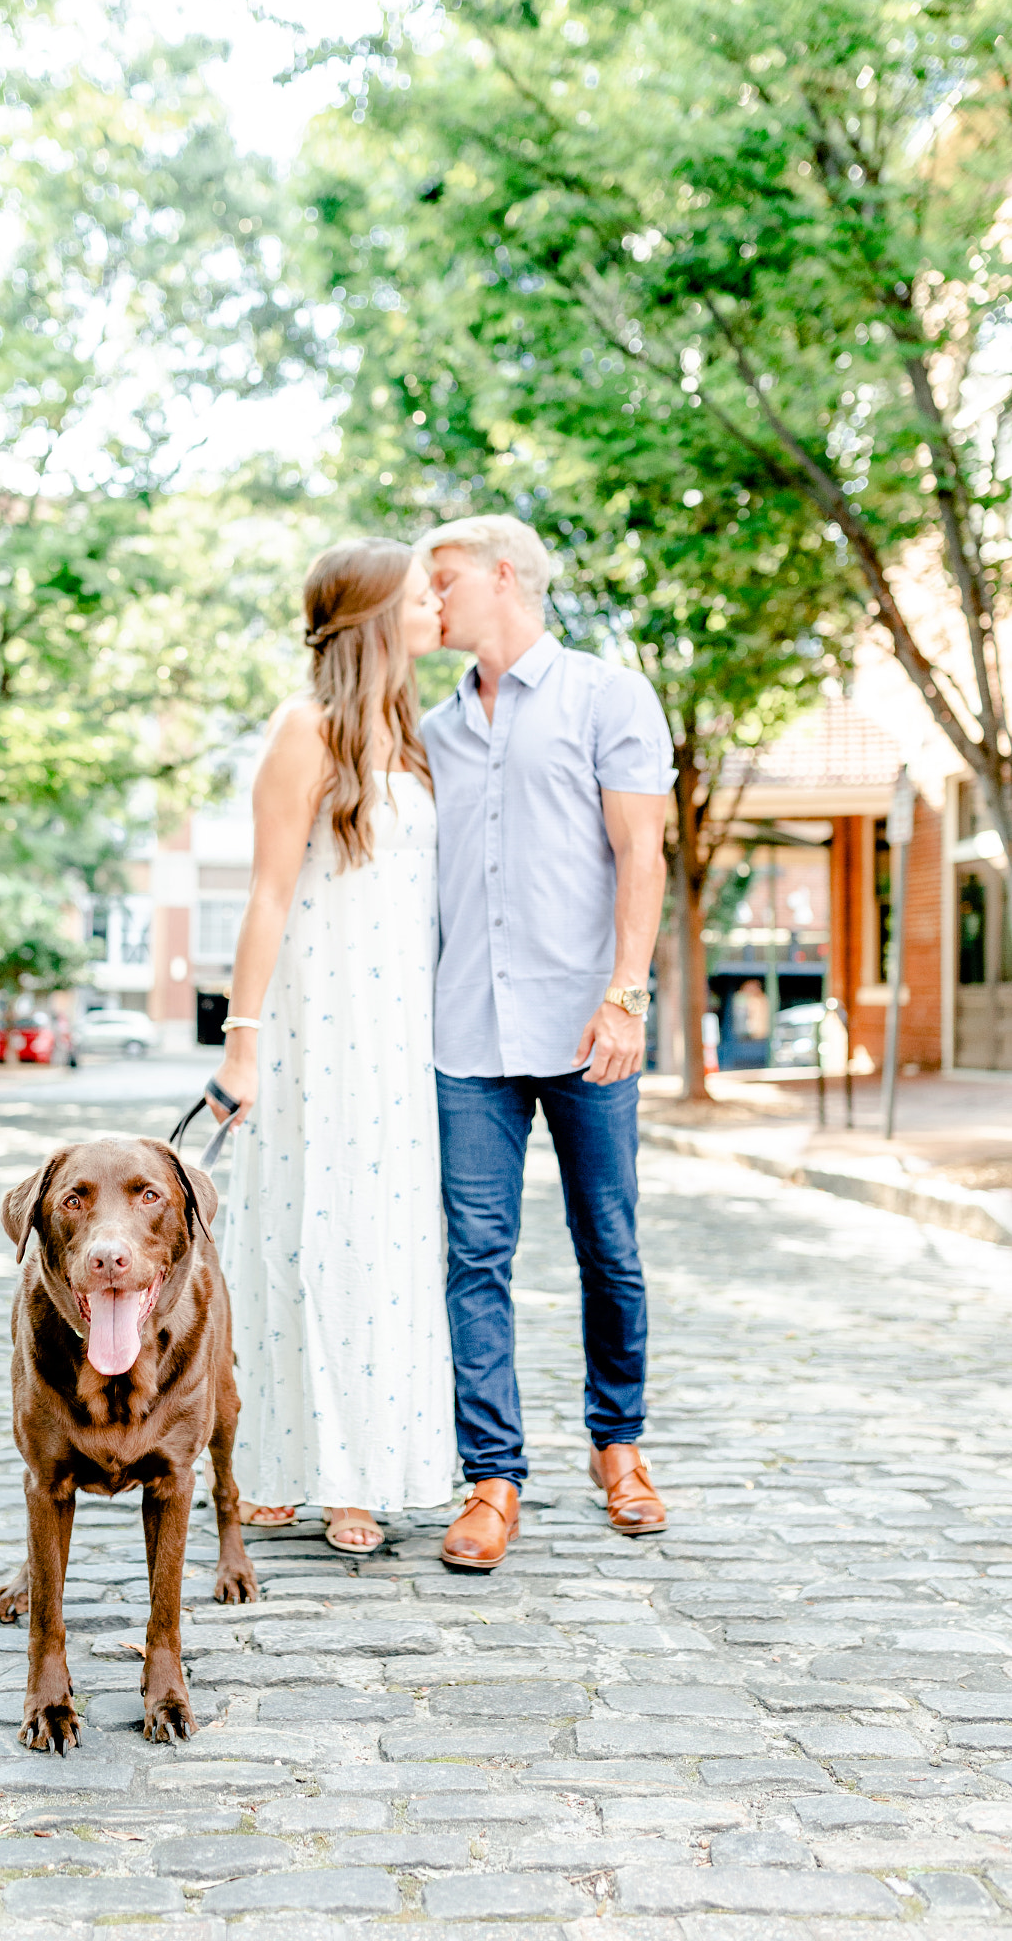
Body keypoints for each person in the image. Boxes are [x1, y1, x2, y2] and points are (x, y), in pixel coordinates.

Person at [417, 514, 674, 1567]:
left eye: (444, 579)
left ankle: (620, 1447)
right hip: (467, 1030)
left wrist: (626, 995)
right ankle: (492, 1479)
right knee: (474, 1256)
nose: (428, 600)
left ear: (504, 575)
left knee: (607, 1244)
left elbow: (641, 853)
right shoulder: (431, 728)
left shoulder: (605, 695)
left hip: (584, 1026)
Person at [208, 538, 456, 1555]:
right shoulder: (305, 729)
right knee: (298, 1233)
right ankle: (279, 1459)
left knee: (385, 1247)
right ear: (373, 616)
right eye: (420, 592)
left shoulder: (420, 735)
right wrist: (241, 1040)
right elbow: (267, 891)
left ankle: (363, 1465)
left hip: (401, 1032)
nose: (438, 603)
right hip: (319, 1020)